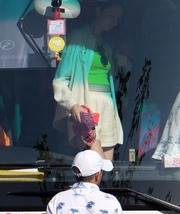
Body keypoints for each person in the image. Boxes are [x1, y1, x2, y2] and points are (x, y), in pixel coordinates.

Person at [52, 2, 129, 159]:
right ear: (99, 11)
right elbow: (60, 80)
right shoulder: (78, 37)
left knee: (107, 167)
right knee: (94, 164)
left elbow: (116, 83)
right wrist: (74, 107)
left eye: (118, 18)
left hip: (108, 106)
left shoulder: (107, 46)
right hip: (86, 106)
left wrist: (127, 66)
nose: (115, 22)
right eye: (112, 16)